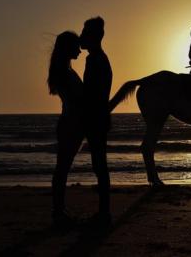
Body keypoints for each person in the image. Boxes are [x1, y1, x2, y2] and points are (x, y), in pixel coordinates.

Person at [47, 31, 84, 228]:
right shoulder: (65, 73)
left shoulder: (64, 71)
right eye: (76, 46)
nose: (79, 50)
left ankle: (59, 210)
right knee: (62, 169)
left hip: (69, 123)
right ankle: (58, 212)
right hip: (71, 124)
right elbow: (77, 101)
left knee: (62, 169)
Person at [80, 16, 113, 225]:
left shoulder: (95, 59)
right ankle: (104, 211)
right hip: (99, 116)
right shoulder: (99, 58)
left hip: (96, 117)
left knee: (99, 165)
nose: (81, 37)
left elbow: (91, 93)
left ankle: (104, 213)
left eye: (84, 33)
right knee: (99, 164)